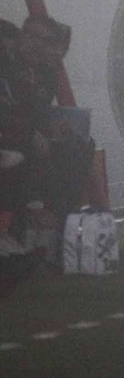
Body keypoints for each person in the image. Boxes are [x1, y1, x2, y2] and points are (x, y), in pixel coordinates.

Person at [0, 14, 89, 264]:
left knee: (76, 145)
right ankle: (33, 215)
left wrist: (50, 128)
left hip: (20, 133)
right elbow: (9, 109)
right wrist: (32, 132)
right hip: (11, 135)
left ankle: (56, 217)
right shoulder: (7, 63)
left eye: (44, 40)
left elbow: (35, 109)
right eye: (31, 36)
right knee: (23, 152)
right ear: (20, 37)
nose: (35, 44)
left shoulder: (43, 70)